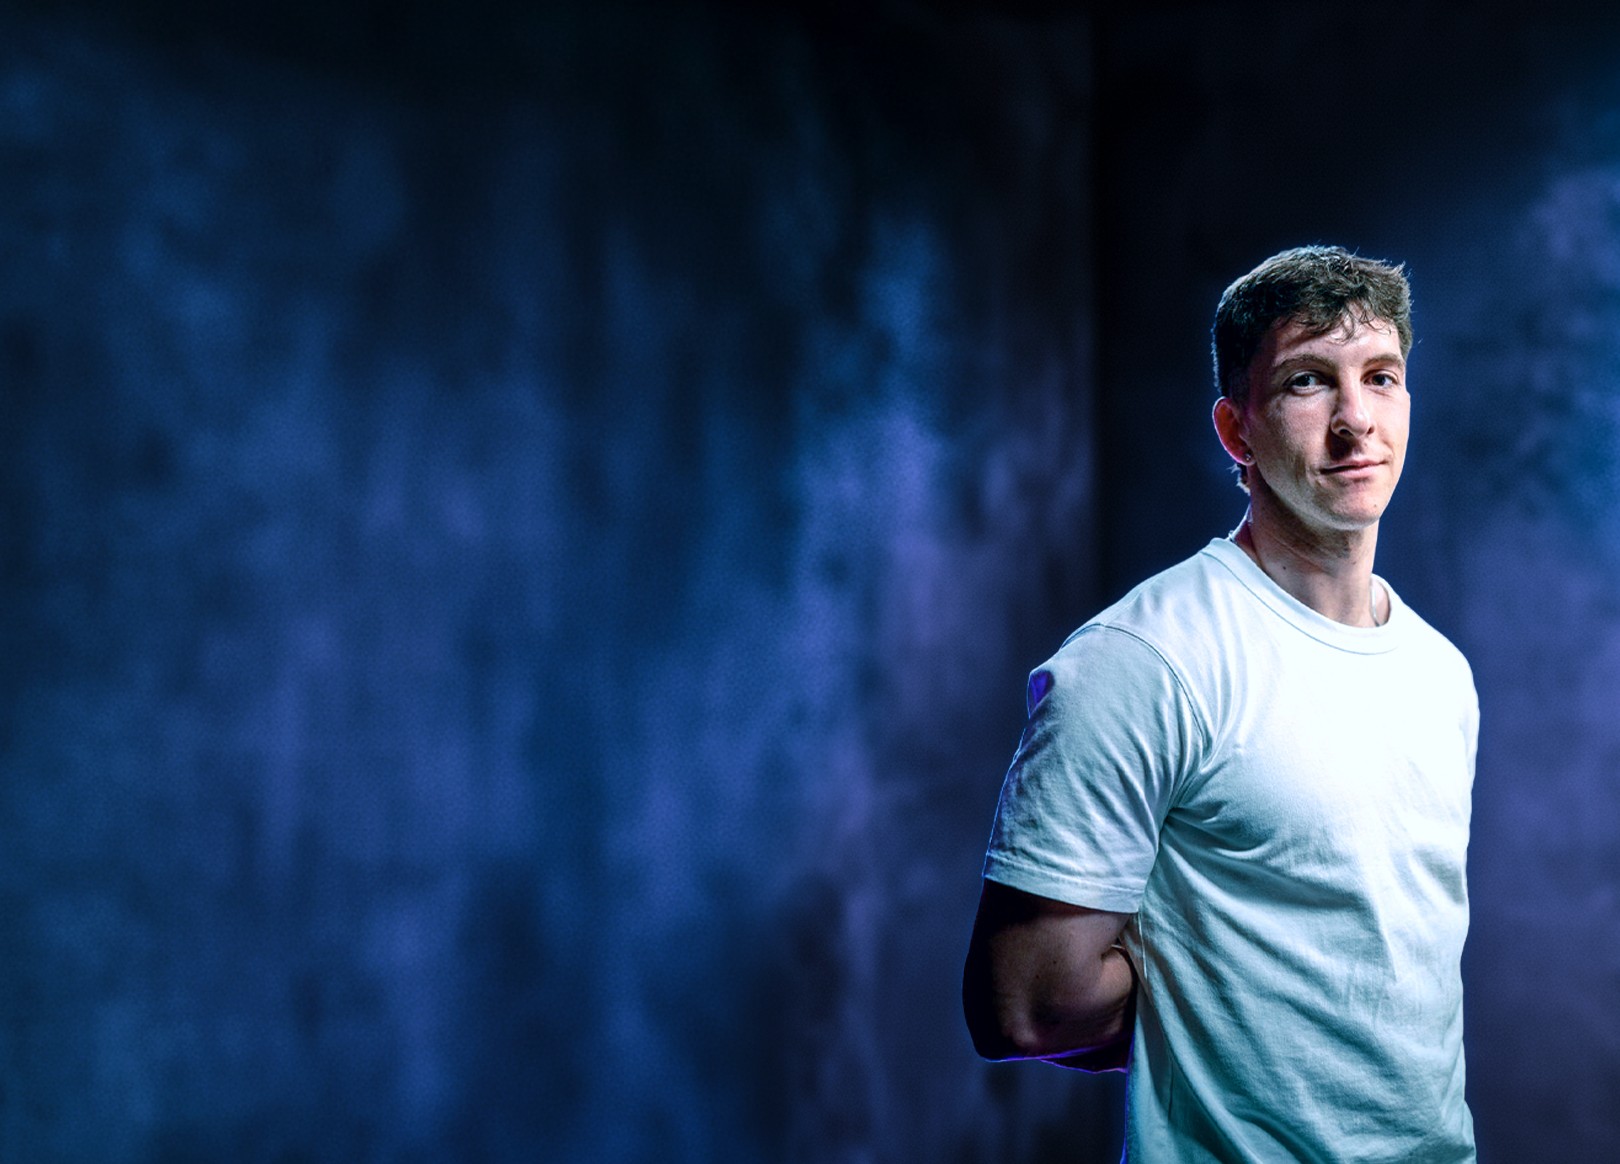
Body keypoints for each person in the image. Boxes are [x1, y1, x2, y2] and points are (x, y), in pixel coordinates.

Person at [962, 246, 1478, 1162]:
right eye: (1309, 383)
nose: (1356, 420)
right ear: (1237, 432)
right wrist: (1218, 1015)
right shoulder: (1145, 660)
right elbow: (1026, 1005)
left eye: (1382, 378)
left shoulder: (1441, 672)